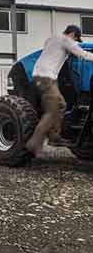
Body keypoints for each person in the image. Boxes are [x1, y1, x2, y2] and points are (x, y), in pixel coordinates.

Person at [26, 25, 93, 156]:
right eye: (76, 39)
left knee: (62, 104)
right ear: (72, 34)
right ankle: (34, 143)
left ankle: (54, 136)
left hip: (45, 77)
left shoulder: (52, 39)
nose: (75, 42)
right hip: (45, 78)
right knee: (52, 110)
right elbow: (83, 54)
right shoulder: (65, 40)